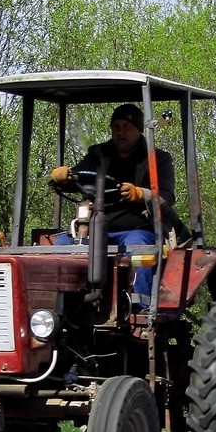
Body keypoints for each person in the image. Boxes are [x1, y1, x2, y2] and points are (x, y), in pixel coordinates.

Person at [50, 103, 176, 302]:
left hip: (135, 228)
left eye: (126, 127)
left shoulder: (158, 159)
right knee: (61, 245)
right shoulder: (99, 154)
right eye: (116, 127)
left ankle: (138, 305)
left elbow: (166, 197)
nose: (120, 132)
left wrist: (140, 194)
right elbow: (79, 178)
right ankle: (58, 303)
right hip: (94, 227)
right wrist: (64, 177)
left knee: (138, 247)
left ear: (139, 130)